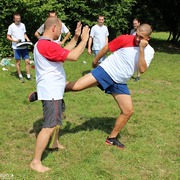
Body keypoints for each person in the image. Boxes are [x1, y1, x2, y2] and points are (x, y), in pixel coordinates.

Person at [65, 24, 154, 150]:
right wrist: (95, 61)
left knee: (128, 111)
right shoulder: (125, 38)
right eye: (137, 34)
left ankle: (111, 138)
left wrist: (141, 49)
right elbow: (107, 47)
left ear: (148, 38)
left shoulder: (149, 51)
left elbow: (142, 69)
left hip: (119, 81)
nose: (137, 38)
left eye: (141, 37)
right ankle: (47, 91)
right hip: (106, 71)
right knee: (76, 87)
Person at [29, 17, 89, 173]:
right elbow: (74, 56)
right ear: (53, 28)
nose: (62, 32)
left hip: (55, 90)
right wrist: (84, 40)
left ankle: (54, 143)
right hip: (51, 92)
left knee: (59, 117)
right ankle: (35, 162)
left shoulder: (45, 44)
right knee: (48, 126)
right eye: (61, 29)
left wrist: (75, 38)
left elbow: (65, 51)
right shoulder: (45, 45)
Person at [7, 13, 31, 82]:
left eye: (19, 19)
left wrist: (28, 39)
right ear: (14, 19)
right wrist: (14, 40)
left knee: (27, 61)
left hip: (23, 46)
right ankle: (20, 75)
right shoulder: (11, 26)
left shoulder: (22, 25)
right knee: (18, 62)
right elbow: (8, 37)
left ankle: (28, 76)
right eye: (17, 19)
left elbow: (24, 34)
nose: (18, 20)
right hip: (16, 47)